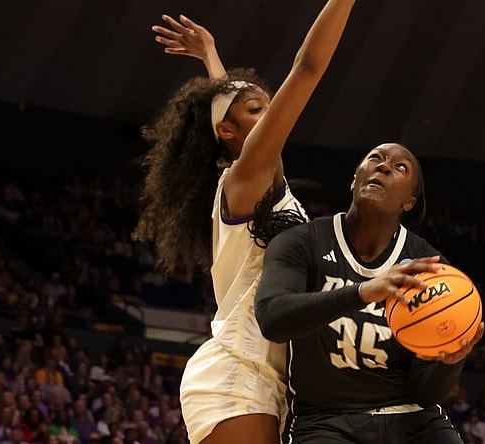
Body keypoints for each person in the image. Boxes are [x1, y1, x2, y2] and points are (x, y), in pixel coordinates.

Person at [133, 1, 357, 443]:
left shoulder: (267, 187)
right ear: (227, 134)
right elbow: (308, 67)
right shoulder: (243, 180)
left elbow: (228, 109)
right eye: (260, 111)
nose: (271, 116)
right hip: (239, 369)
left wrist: (210, 56)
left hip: (268, 376)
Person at [254, 142, 485, 443]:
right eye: (375, 158)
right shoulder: (303, 242)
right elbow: (272, 317)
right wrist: (362, 292)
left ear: (409, 202)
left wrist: (449, 362)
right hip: (326, 420)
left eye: (400, 167)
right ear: (354, 179)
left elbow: (426, 393)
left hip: (412, 419)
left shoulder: (430, 269)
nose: (384, 166)